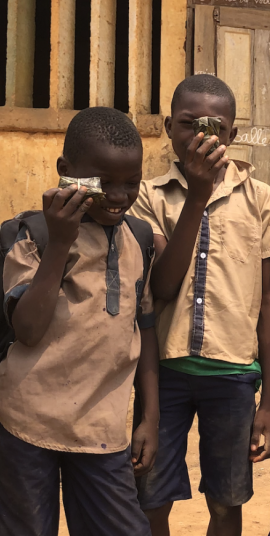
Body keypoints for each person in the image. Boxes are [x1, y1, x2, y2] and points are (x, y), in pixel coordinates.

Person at [131, 74, 270, 536]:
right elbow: (162, 285)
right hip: (165, 375)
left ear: (232, 135)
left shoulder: (261, 200)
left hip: (233, 375)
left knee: (225, 500)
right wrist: (197, 197)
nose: (201, 135)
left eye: (214, 126)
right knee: (151, 497)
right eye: (188, 123)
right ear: (167, 127)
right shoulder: (148, 196)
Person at [0, 106, 158, 536]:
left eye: (131, 182)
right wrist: (61, 243)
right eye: (104, 183)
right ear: (66, 172)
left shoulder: (139, 239)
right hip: (27, 427)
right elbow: (28, 330)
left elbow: (141, 327)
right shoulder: (32, 235)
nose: (119, 195)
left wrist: (150, 416)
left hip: (101, 430)